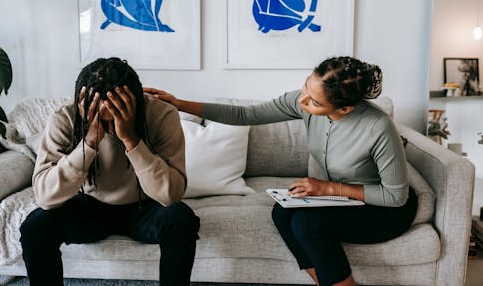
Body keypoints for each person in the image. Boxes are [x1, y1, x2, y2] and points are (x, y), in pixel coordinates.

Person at [144, 56, 418, 286]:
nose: (303, 102)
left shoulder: (378, 127)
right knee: (282, 211)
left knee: (306, 223)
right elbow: (245, 115)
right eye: (305, 88)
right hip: (339, 201)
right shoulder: (304, 102)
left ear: (345, 108)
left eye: (315, 102)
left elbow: (396, 196)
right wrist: (179, 103)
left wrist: (329, 188)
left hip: (381, 210)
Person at [20, 57, 199, 286]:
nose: (111, 128)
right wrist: (89, 143)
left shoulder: (161, 114)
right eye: (103, 120)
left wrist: (131, 140)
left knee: (182, 219)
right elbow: (45, 197)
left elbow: (170, 195)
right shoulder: (65, 116)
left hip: (145, 205)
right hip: (90, 204)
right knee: (35, 227)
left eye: (116, 118)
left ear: (134, 103)